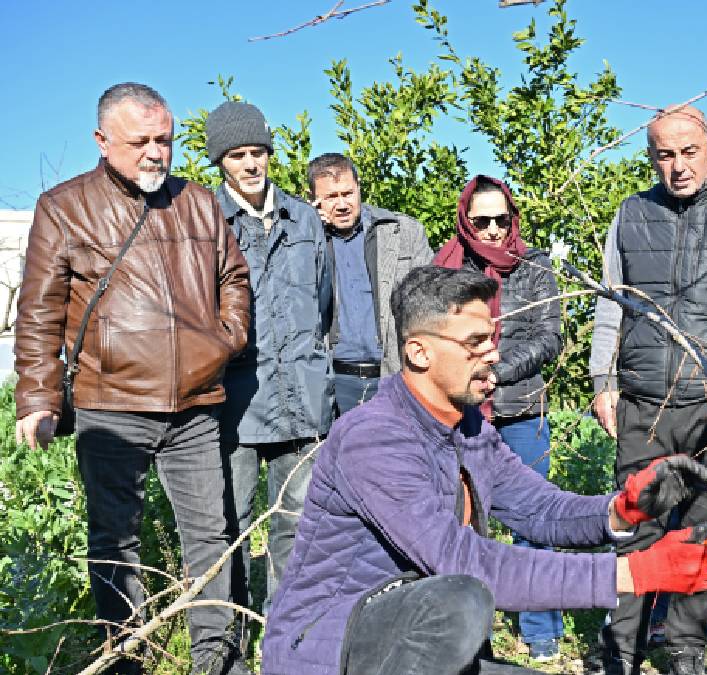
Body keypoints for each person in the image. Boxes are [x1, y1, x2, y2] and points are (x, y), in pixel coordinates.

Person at [261, 265, 707, 675]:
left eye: (493, 339)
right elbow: (465, 563)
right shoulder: (374, 438)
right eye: (475, 342)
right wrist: (632, 574)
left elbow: (539, 508)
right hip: (332, 650)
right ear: (419, 352)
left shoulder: (467, 428)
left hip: (417, 646)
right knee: (461, 598)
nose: (493, 354)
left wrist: (621, 512)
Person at [13, 82, 252, 674]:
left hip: (196, 405)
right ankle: (126, 663)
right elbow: (39, 311)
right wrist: (37, 397)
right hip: (108, 406)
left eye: (165, 140)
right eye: (140, 140)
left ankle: (217, 664)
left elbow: (235, 280)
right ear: (102, 140)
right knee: (115, 546)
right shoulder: (62, 207)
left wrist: (225, 339)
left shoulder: (199, 203)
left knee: (211, 544)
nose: (155, 152)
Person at [588, 104, 707, 675]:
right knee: (633, 525)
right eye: (664, 155)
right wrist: (603, 379)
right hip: (644, 401)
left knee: (704, 531)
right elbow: (609, 301)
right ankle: (622, 647)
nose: (678, 166)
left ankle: (686, 650)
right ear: (651, 158)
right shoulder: (631, 213)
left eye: (688, 152)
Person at [204, 101, 335, 622]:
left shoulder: (304, 219)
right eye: (238, 155)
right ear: (221, 162)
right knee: (229, 524)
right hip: (234, 404)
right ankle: (229, 637)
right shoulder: (207, 220)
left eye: (258, 152)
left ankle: (285, 634)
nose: (251, 164)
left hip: (303, 399)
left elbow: (324, 304)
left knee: (299, 524)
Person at [434, 175, 566, 661]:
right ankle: (469, 628)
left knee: (535, 519)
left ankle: (541, 627)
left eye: (500, 220)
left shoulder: (534, 267)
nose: (491, 230)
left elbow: (548, 338)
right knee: (463, 522)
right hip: (463, 414)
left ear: (513, 219)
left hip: (521, 410)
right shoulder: (448, 268)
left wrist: (497, 372)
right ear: (466, 220)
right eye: (481, 220)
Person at [308, 152, 434, 412]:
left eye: (348, 193)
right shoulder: (304, 240)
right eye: (331, 197)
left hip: (396, 376)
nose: (342, 204)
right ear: (314, 200)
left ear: (359, 188)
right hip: (334, 381)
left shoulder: (403, 232)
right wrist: (308, 231)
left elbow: (431, 306)